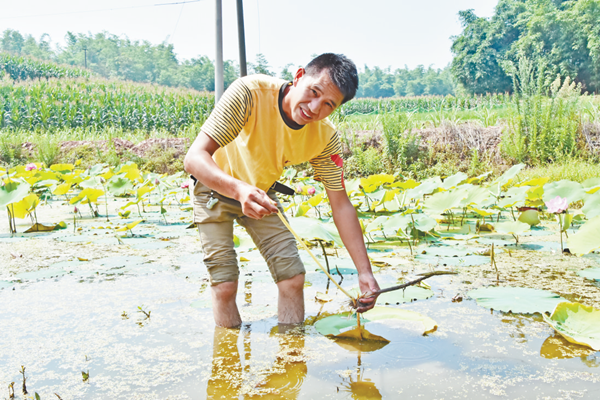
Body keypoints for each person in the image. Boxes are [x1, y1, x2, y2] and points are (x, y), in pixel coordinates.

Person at [184, 53, 380, 328]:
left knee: (292, 277)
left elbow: (340, 204)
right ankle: (227, 361)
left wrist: (364, 272)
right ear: (299, 76)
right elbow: (194, 158)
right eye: (313, 92)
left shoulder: (325, 137)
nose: (314, 108)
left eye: (328, 105)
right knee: (225, 284)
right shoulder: (250, 92)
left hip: (260, 192)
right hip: (213, 187)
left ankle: (291, 355)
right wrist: (239, 191)